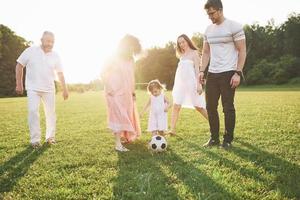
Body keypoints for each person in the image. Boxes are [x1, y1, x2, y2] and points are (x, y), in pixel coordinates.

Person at [200, 0, 247, 149]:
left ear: (220, 10)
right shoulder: (208, 30)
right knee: (210, 107)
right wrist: (202, 70)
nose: (210, 17)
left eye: (212, 13)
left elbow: (242, 51)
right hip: (213, 73)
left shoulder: (234, 27)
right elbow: (206, 52)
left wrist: (237, 73)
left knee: (228, 107)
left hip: (228, 73)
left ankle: (227, 140)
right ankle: (214, 138)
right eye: (208, 14)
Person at [15, 31, 69, 148]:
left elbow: (60, 73)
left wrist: (65, 89)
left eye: (52, 42)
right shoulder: (30, 51)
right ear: (41, 40)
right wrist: (19, 84)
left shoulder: (56, 55)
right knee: (33, 111)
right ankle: (35, 140)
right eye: (48, 41)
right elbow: (19, 65)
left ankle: (50, 137)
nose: (50, 44)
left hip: (49, 89)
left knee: (51, 113)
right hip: (33, 88)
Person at [101, 34, 142, 152]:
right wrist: (109, 87)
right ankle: (118, 144)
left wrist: (133, 92)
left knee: (126, 114)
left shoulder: (131, 59)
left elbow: (131, 76)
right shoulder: (113, 57)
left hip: (127, 92)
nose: (131, 49)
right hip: (114, 91)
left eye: (133, 47)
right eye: (129, 46)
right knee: (118, 116)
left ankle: (124, 137)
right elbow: (103, 72)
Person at [170, 34, 208, 135]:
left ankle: (213, 124)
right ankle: (172, 130)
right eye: (179, 43)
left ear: (187, 41)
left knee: (198, 106)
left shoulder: (194, 53)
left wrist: (199, 85)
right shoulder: (181, 55)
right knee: (176, 105)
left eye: (183, 42)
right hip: (180, 84)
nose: (182, 44)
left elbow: (197, 70)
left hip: (191, 83)